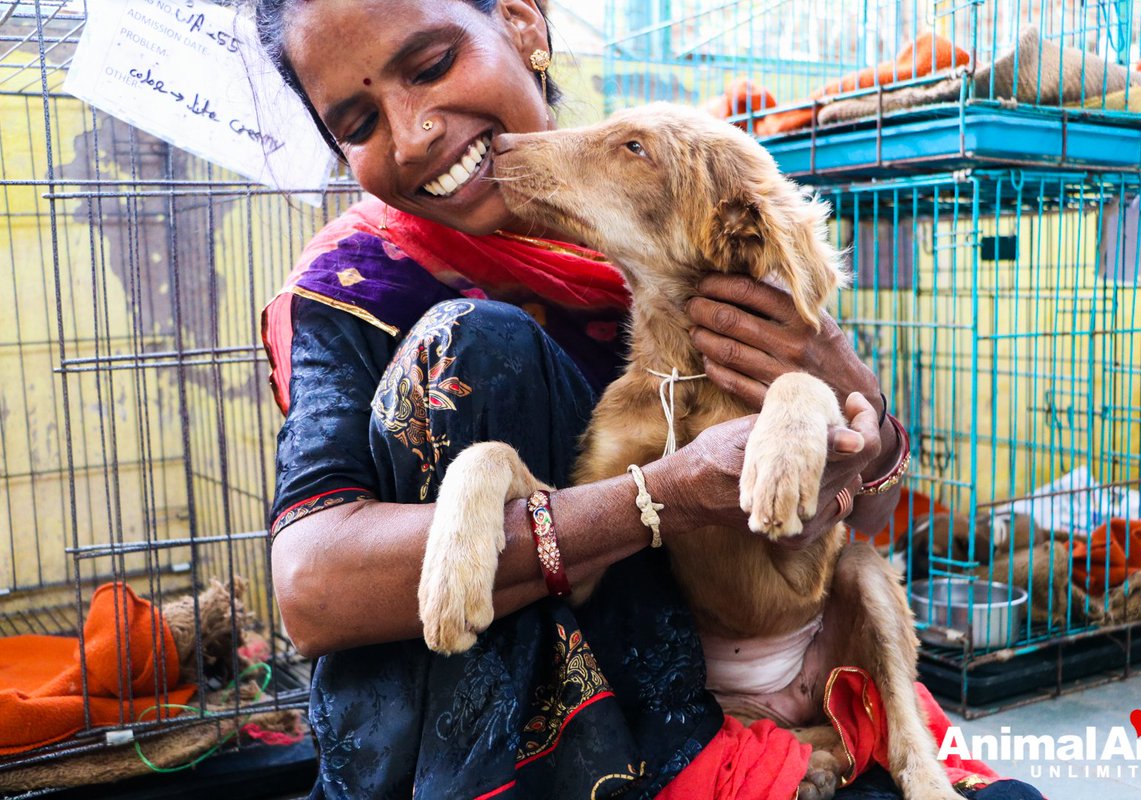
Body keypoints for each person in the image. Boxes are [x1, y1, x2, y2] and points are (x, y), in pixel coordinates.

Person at [254, 2, 1042, 799]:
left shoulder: (680, 216)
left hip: (769, 678)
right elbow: (313, 594)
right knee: (479, 345)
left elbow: (850, 536)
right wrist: (659, 498)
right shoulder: (355, 288)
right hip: (536, 740)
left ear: (526, 23)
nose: (413, 129)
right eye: (357, 123)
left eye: (429, 66)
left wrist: (858, 400)